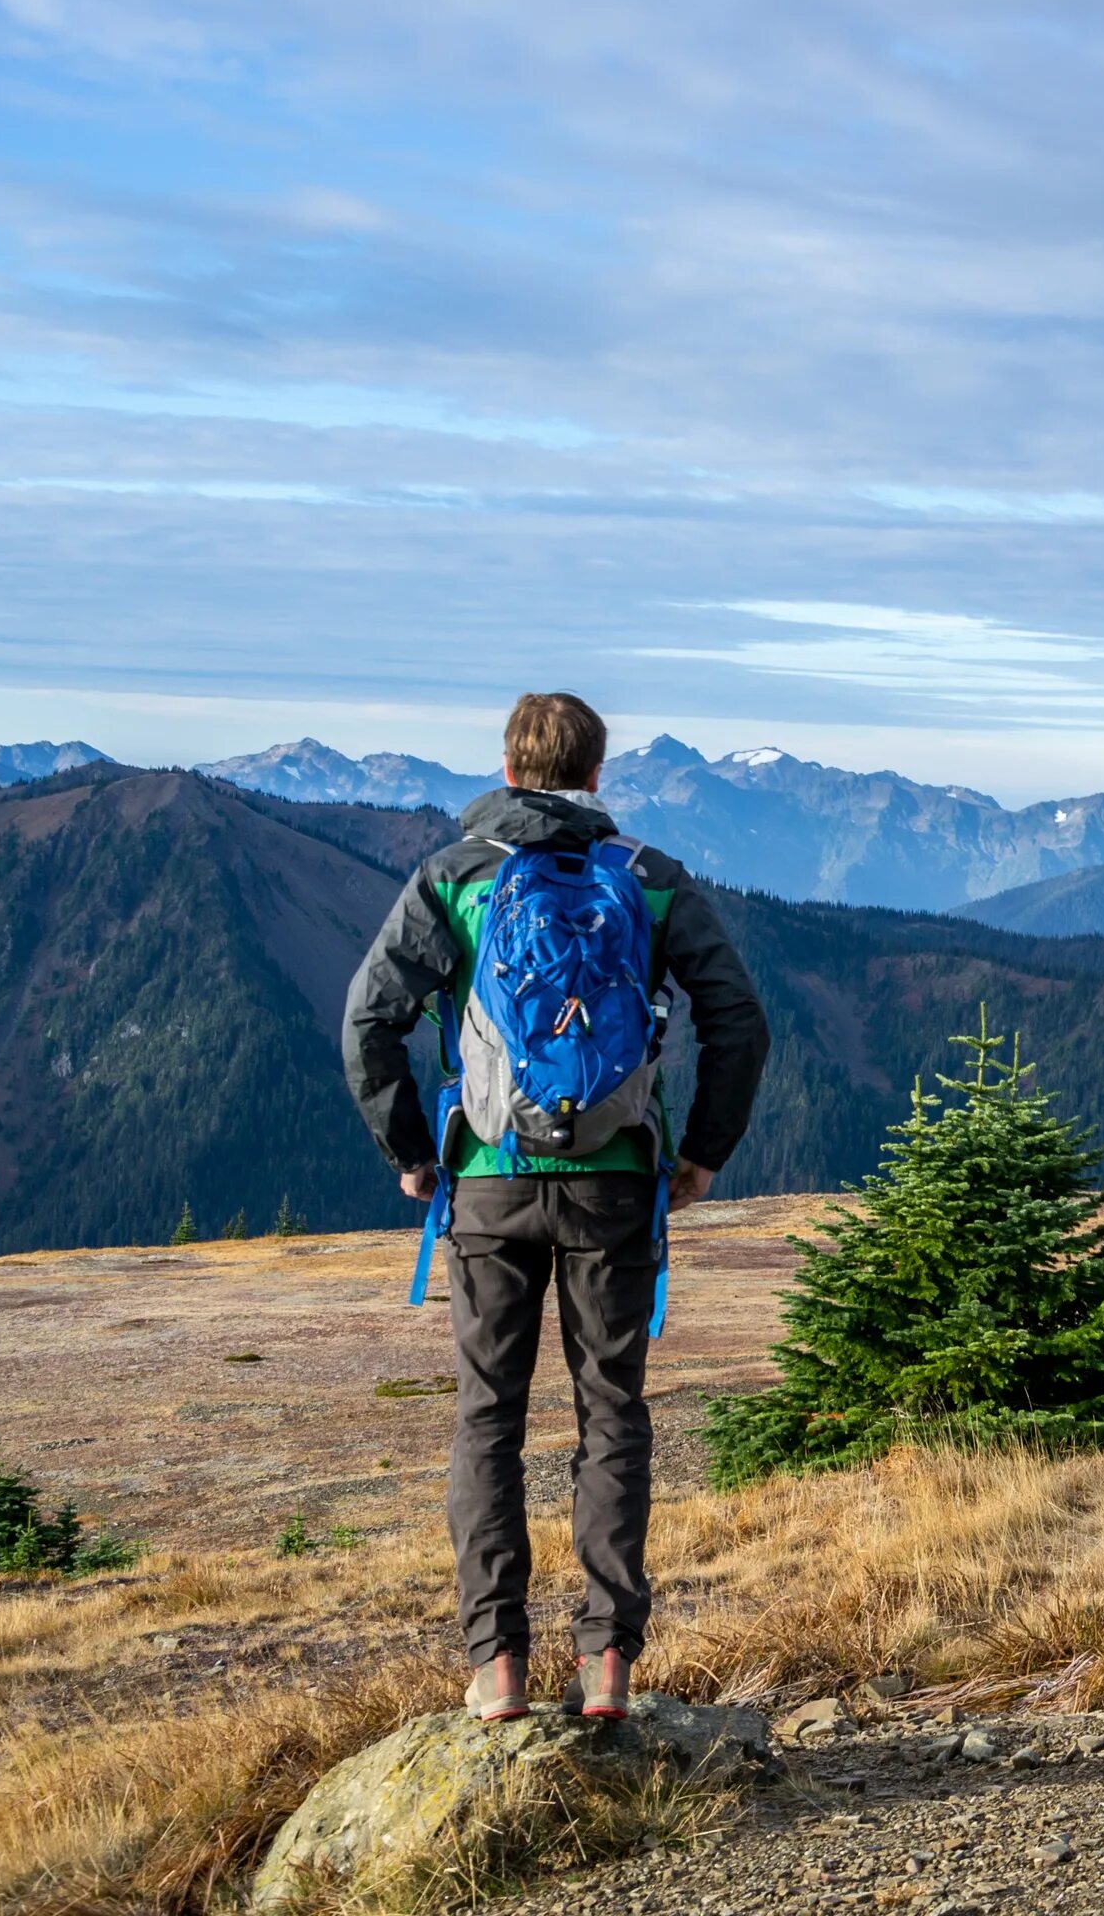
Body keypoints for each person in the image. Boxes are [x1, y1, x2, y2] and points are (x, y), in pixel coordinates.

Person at [342, 691, 769, 1723]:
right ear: (595, 773)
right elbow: (738, 1020)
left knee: (487, 1416)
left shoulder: (455, 878)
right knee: (611, 1412)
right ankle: (609, 1663)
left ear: (506, 763)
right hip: (616, 1180)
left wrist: (412, 1151)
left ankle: (497, 1668)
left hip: (487, 1183)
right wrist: (703, 1153)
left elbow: (369, 1023)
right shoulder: (649, 881)